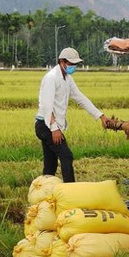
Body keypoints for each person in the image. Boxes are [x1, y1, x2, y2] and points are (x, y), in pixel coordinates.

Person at [35, 47, 110, 183]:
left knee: (50, 163)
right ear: (62, 62)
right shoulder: (51, 78)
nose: (73, 67)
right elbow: (46, 105)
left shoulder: (67, 78)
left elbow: (80, 98)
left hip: (51, 126)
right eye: (71, 64)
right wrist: (54, 128)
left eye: (75, 64)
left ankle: (44, 190)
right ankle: (70, 191)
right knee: (66, 156)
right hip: (45, 125)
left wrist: (100, 115)